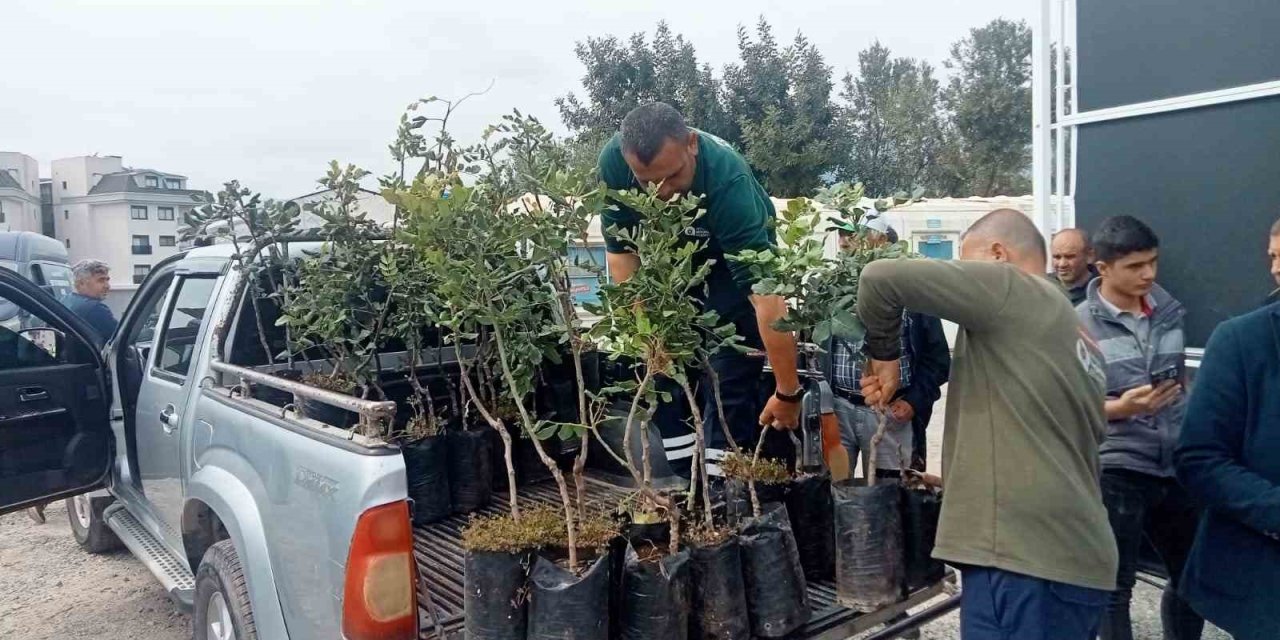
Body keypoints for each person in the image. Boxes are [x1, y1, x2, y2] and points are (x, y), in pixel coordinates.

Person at [857, 209, 1118, 640]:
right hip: (1068, 558)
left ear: (998, 255)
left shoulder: (1013, 288)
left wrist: (886, 360)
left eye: (966, 260)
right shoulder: (1075, 329)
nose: (962, 275)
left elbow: (879, 278)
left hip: (1025, 560)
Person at [597, 102, 801, 472]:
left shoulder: (729, 182)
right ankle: (688, 490)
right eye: (648, 183)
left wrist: (788, 393)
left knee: (728, 375)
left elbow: (767, 299)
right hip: (672, 265)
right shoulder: (614, 163)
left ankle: (723, 488)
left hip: (729, 266)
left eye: (673, 177)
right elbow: (622, 259)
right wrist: (648, 339)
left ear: (691, 143)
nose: (662, 193)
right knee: (667, 379)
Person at [1076, 216, 1203, 640]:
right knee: (1115, 588)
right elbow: (1068, 405)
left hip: (1176, 466)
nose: (1148, 274)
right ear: (1103, 267)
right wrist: (1118, 408)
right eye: (1135, 266)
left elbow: (1179, 382)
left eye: (1152, 262)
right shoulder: (1077, 325)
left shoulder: (1169, 313)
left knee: (1191, 580)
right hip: (1118, 467)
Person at [1174, 217, 1280, 640]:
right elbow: (1199, 458)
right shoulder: (1242, 341)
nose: (1277, 269)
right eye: (1274, 257)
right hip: (1267, 592)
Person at [823, 216, 949, 476]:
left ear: (881, 242)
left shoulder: (910, 293)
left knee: (891, 492)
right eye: (842, 235)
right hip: (838, 412)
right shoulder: (830, 291)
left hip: (888, 414)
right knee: (833, 491)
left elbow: (937, 361)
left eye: (853, 234)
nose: (844, 241)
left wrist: (914, 401)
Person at [62, 259, 118, 345]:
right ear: (81, 283)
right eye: (101, 280)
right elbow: (120, 339)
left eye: (107, 280)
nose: (107, 286)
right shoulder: (96, 309)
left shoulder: (64, 301)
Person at [1049, 228, 1098, 306]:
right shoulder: (1040, 287)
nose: (1062, 264)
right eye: (1057, 257)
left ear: (1089, 256)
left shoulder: (1103, 290)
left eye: (1069, 257)